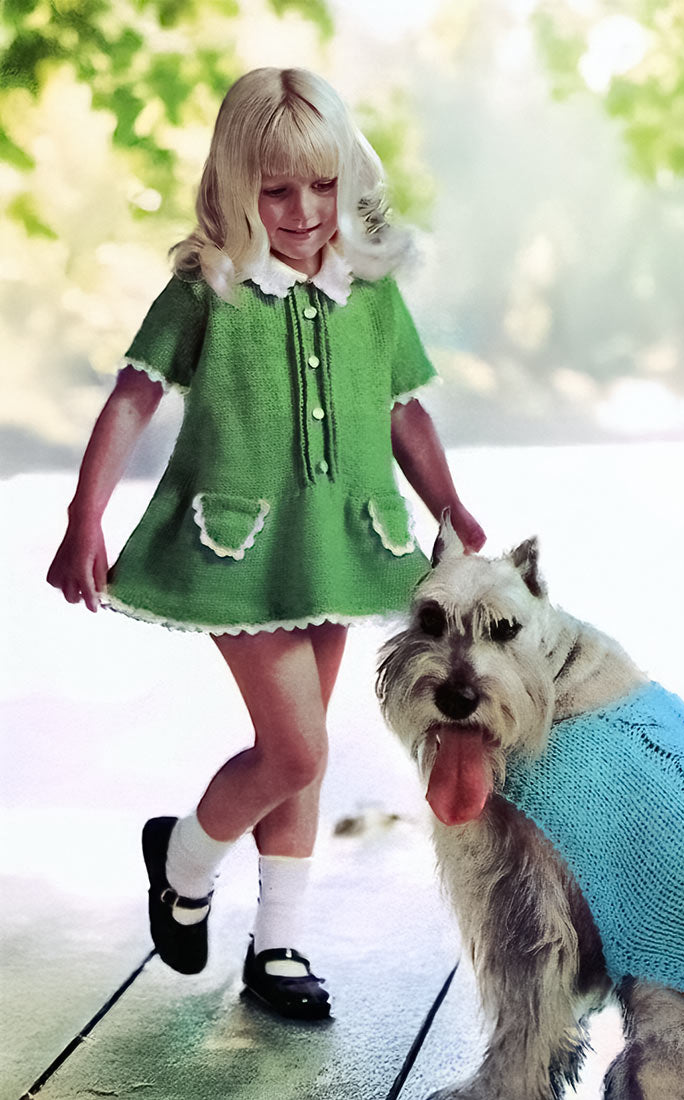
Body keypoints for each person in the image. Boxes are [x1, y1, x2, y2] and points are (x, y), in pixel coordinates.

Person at [46, 67, 485, 1021]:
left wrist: (450, 506)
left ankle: (278, 943)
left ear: (347, 177)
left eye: (319, 185)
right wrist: (85, 516)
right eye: (274, 188)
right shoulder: (207, 288)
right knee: (294, 749)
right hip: (233, 546)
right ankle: (184, 858)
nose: (300, 209)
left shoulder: (368, 291)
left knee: (305, 748)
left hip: (341, 539)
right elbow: (133, 396)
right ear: (234, 185)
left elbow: (403, 411)